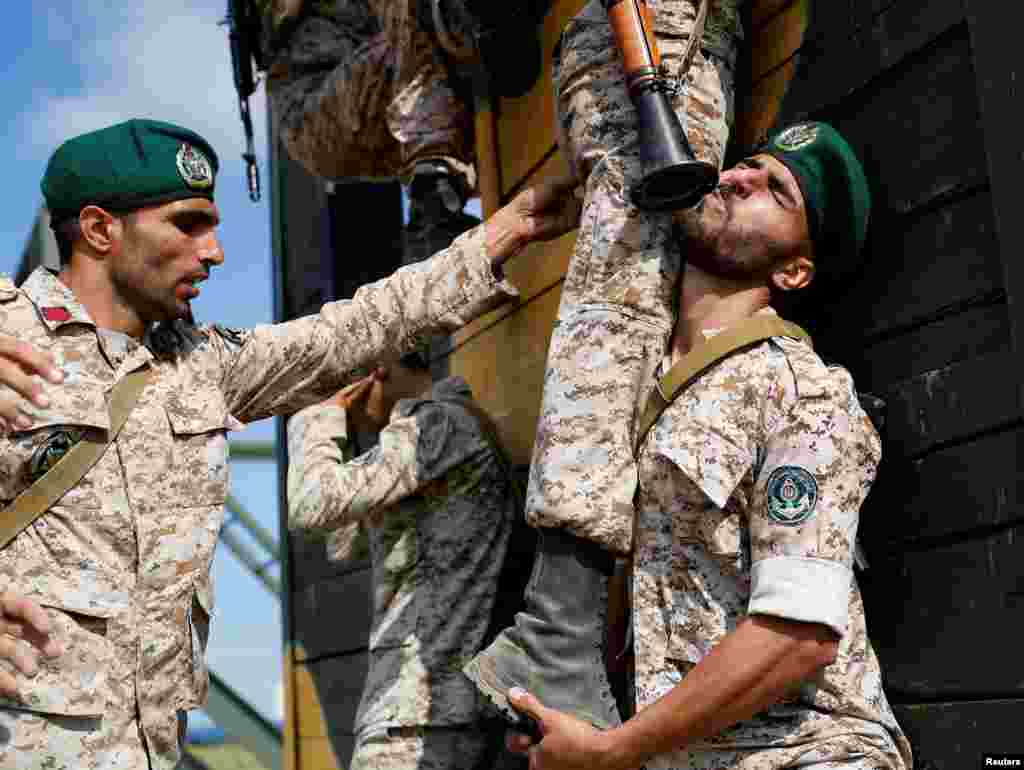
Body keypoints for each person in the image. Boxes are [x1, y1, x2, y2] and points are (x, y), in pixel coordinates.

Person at [0, 117, 580, 770]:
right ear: (102, 229)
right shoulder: (9, 337)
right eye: (187, 224)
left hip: (150, 744)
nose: (215, 252)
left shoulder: (204, 365)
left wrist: (508, 229)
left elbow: (353, 331)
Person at [503, 122, 914, 769]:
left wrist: (612, 752)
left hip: (809, 754)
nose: (740, 176)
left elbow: (798, 634)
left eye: (776, 191)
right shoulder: (628, 393)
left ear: (796, 269)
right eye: (747, 165)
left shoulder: (803, 393)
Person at [464, 0, 742, 734]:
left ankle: (559, 633)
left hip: (663, 36)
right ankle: (554, 636)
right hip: (656, 36)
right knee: (632, 276)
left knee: (641, 284)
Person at [288, 351, 525, 770]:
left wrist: (316, 423)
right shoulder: (428, 437)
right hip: (425, 713)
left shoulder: (437, 425)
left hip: (419, 717)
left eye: (333, 387)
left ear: (372, 371)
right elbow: (341, 543)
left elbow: (311, 505)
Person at [255, 0, 547, 262]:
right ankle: (433, 204)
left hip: (387, 98)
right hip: (315, 109)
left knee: (433, 47)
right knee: (416, 15)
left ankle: (481, 26)